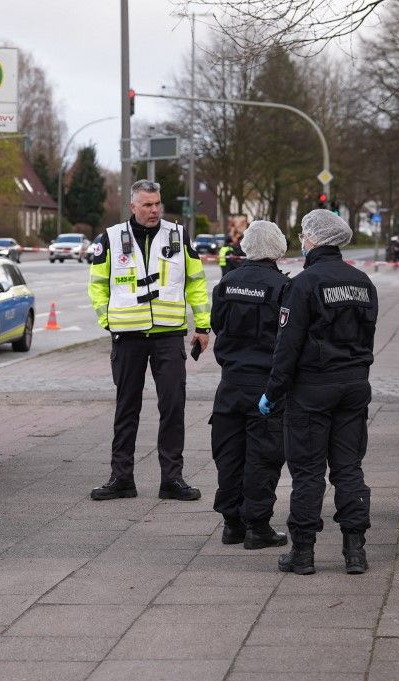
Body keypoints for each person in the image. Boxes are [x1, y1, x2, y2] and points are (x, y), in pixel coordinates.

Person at [260, 209, 377, 575]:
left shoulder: (303, 284)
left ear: (313, 239)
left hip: (311, 389)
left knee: (308, 472)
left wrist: (273, 392)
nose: (302, 240)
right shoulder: (363, 283)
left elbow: (287, 346)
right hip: (353, 386)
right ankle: (355, 551)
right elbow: (367, 337)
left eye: (304, 235)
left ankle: (303, 552)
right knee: (348, 468)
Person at [87, 180, 211, 502]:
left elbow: (196, 282)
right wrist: (107, 320)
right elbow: (97, 285)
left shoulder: (178, 235)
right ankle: (121, 479)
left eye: (157, 204)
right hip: (127, 336)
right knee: (126, 408)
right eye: (147, 204)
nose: (154, 210)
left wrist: (203, 326)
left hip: (168, 335)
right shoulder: (111, 238)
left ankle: (172, 479)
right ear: (133, 206)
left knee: (173, 406)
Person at [210, 220, 290, 549]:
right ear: (278, 248)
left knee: (229, 453)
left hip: (230, 383)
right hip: (266, 386)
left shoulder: (227, 283)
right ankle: (258, 526)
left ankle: (232, 524)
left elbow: (217, 324)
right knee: (263, 456)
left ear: (246, 246)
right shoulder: (283, 287)